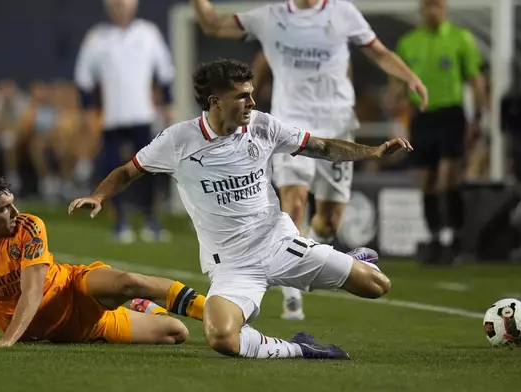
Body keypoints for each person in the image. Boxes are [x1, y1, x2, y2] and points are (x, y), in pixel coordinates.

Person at [69, 59, 412, 359]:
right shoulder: (178, 140)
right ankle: (301, 348)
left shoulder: (262, 125)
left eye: (251, 93)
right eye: (243, 96)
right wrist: (99, 195)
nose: (252, 101)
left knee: (376, 286)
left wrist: (373, 152)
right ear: (215, 102)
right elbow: (128, 171)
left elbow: (319, 146)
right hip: (233, 266)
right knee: (221, 338)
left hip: (279, 244)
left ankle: (349, 261)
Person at [191, 0, 426, 320]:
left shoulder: (343, 13)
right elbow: (213, 25)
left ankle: (313, 252)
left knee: (329, 222)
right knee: (296, 202)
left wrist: (410, 77)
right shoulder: (270, 17)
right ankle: (292, 293)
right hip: (291, 123)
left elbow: (378, 52)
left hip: (338, 125)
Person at [0, 174, 205, 346]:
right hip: (82, 329)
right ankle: (142, 307)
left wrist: (7, 340)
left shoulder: (30, 227)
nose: (16, 211)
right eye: (4, 208)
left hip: (73, 289)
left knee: (129, 281)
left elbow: (33, 291)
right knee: (176, 332)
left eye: (13, 202)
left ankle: (212, 311)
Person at [387, 0, 487, 265]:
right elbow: (398, 80)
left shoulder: (460, 39)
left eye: (438, 5)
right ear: (422, 9)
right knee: (426, 181)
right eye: (429, 6)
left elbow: (475, 79)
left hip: (451, 115)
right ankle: (434, 238)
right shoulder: (409, 42)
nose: (433, 10)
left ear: (445, 8)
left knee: (447, 179)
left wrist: (478, 117)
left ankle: (456, 238)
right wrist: (394, 102)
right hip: (422, 118)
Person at [74, 0, 174, 243]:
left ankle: (152, 219)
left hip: (142, 115)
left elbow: (165, 72)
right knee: (110, 169)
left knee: (149, 169)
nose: (120, 6)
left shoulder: (148, 33)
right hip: (112, 118)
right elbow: (84, 77)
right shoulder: (97, 38)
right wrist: (88, 111)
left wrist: (168, 105)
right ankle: (120, 222)